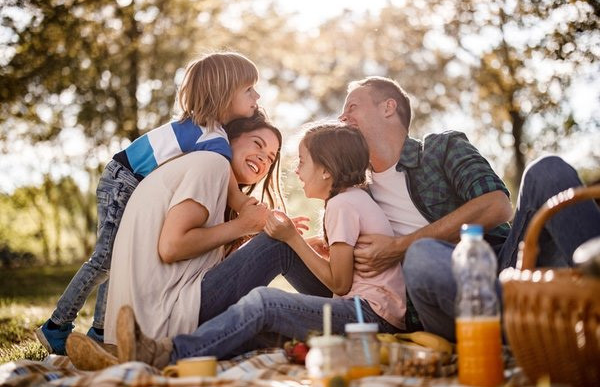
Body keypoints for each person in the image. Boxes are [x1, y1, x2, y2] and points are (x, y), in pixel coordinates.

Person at [107, 123, 409, 368]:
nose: (296, 171)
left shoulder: (343, 205)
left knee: (266, 303)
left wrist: (293, 238)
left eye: (302, 162)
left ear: (327, 171)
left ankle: (169, 354)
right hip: (364, 311)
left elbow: (341, 284)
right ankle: (174, 350)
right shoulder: (350, 200)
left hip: (369, 318)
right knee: (260, 321)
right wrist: (299, 244)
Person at [336, 76, 600, 341]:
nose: (342, 116)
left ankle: (584, 300)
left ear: (387, 107)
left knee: (548, 171)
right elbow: (344, 271)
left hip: (506, 266)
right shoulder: (357, 194)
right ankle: (527, 328)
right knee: (422, 256)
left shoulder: (441, 148)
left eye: (352, 107)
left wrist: (399, 247)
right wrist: (315, 243)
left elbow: (496, 205)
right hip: (448, 296)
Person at [36, 51, 263, 355]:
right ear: (223, 91)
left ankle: (101, 331)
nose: (256, 95)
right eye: (248, 89)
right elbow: (231, 187)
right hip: (122, 179)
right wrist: (250, 212)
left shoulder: (209, 132)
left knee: (117, 259)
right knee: (105, 259)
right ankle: (57, 326)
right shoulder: (209, 135)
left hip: (129, 181)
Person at [65, 110, 284, 370]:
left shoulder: (205, 172)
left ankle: (115, 356)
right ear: (229, 138)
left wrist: (260, 234)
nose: (263, 157)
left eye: (271, 158)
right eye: (258, 144)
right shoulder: (212, 164)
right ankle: (344, 318)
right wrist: (245, 227)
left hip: (152, 315)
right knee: (279, 249)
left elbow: (211, 266)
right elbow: (172, 247)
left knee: (272, 329)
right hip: (163, 316)